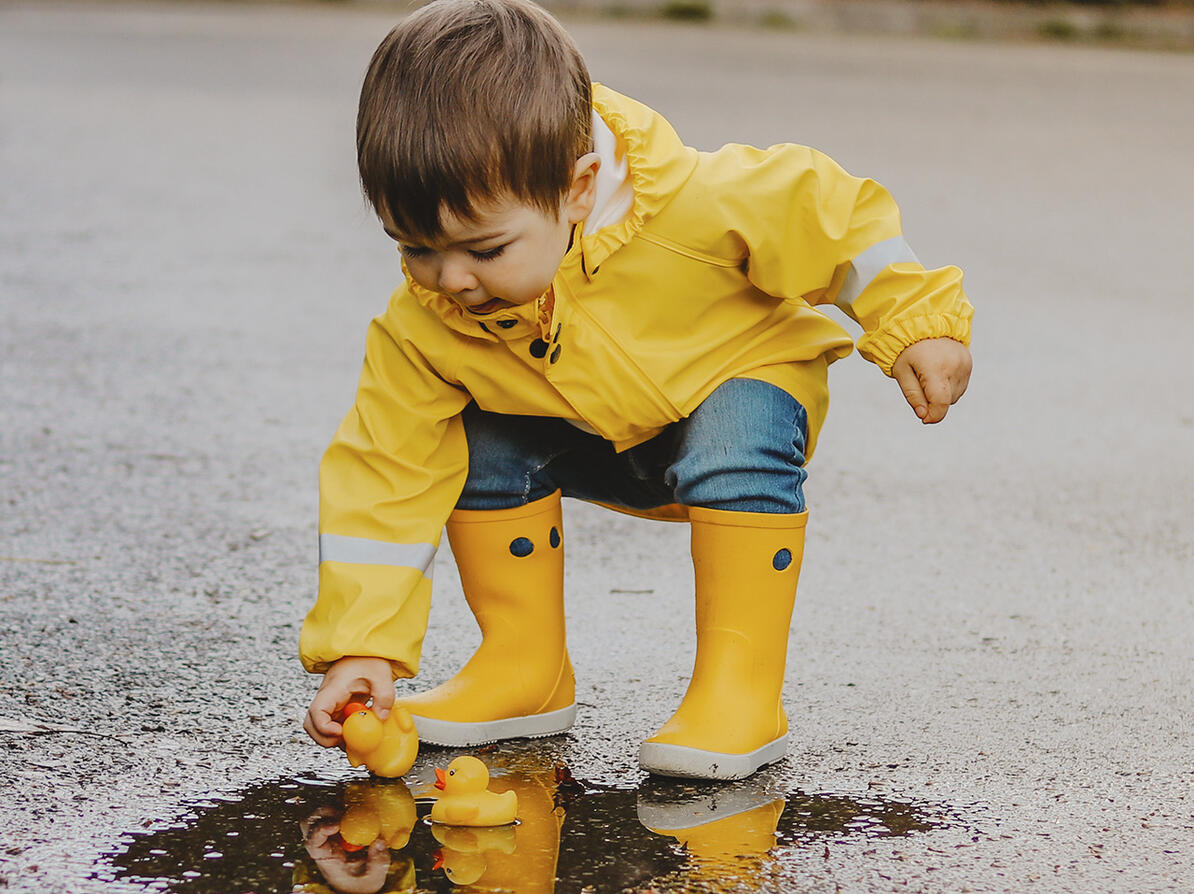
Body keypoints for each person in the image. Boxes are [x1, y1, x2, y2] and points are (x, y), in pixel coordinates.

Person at [300, 0, 973, 780]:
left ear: (580, 186)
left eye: (484, 248)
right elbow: (383, 476)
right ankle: (525, 667)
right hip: (593, 434)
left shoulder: (695, 203)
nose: (450, 279)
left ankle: (739, 689)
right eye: (414, 246)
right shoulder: (427, 324)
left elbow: (838, 220)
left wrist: (919, 320)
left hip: (729, 407)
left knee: (740, 425)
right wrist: (362, 644)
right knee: (458, 428)